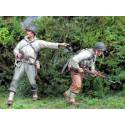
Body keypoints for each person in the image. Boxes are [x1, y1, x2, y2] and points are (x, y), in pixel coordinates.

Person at [7, 25, 69, 106]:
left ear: (33, 33)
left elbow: (49, 44)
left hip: (30, 64)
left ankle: (35, 93)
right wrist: (17, 53)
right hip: (21, 63)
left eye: (29, 31)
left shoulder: (38, 43)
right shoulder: (23, 41)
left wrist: (60, 44)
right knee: (15, 79)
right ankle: (10, 98)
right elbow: (15, 49)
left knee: (32, 82)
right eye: (27, 31)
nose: (27, 32)